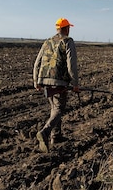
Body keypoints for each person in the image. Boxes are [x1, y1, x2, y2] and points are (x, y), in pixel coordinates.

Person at [33, 17, 80, 152]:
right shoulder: (67, 41)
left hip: (44, 80)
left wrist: (36, 81)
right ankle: (45, 132)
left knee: (54, 108)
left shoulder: (47, 42)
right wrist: (75, 83)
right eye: (69, 28)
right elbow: (71, 65)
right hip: (59, 81)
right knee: (59, 109)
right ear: (66, 29)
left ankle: (56, 136)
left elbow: (37, 62)